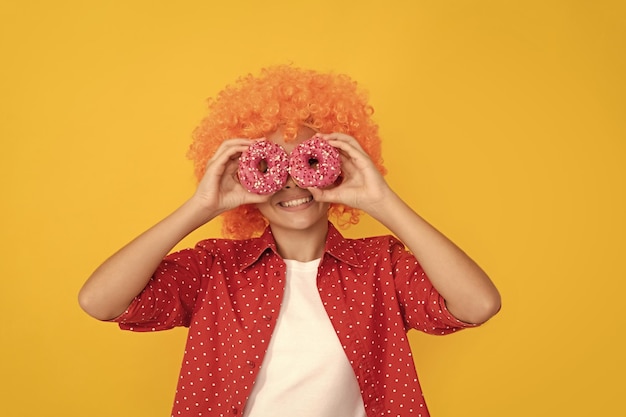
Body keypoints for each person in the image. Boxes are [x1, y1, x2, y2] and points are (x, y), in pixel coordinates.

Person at [78, 65, 501, 417]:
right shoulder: (215, 269)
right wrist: (202, 206)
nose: (292, 182)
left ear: (336, 168)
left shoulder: (379, 266)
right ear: (246, 178)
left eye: (310, 161)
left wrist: (382, 202)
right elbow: (100, 301)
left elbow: (478, 305)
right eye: (268, 166)